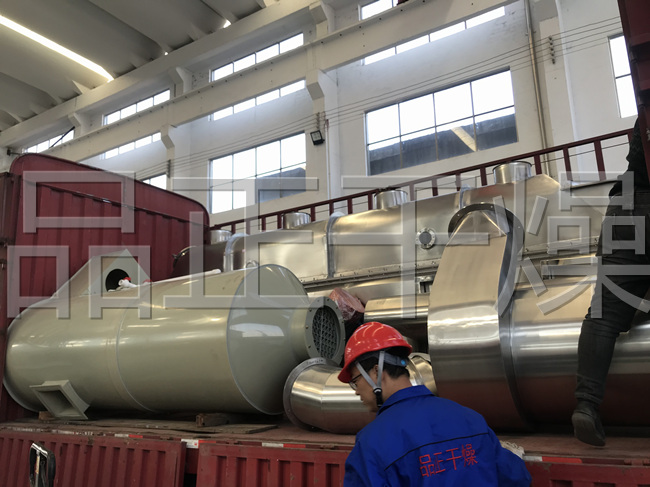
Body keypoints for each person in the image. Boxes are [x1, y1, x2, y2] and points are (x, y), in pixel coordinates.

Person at [338, 321, 532, 486]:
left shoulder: (372, 443)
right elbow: (517, 479)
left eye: (355, 380)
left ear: (375, 372)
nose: (356, 390)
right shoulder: (470, 419)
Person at [573, 117, 650, 446]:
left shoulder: (645, 110)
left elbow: (638, 153)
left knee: (603, 316)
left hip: (626, 208)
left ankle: (586, 406)